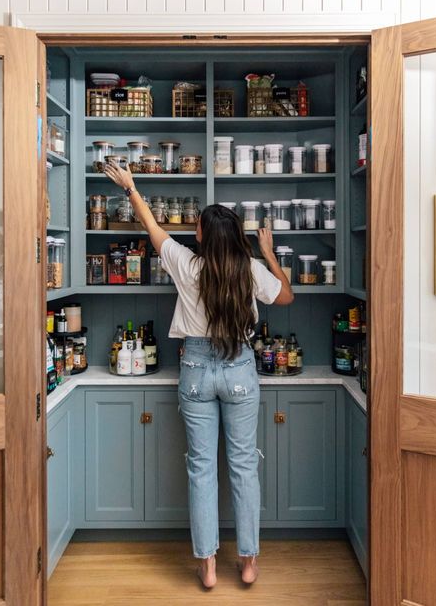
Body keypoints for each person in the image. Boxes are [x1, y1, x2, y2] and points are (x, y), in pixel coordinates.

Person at [105, 160, 294, 588]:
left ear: (205, 236)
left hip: (194, 369)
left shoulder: (187, 265)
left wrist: (132, 188)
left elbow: (153, 227)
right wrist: (268, 254)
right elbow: (286, 296)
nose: (194, 230)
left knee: (201, 469)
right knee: (244, 468)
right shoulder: (250, 271)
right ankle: (247, 562)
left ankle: (208, 567)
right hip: (240, 369)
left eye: (199, 227)